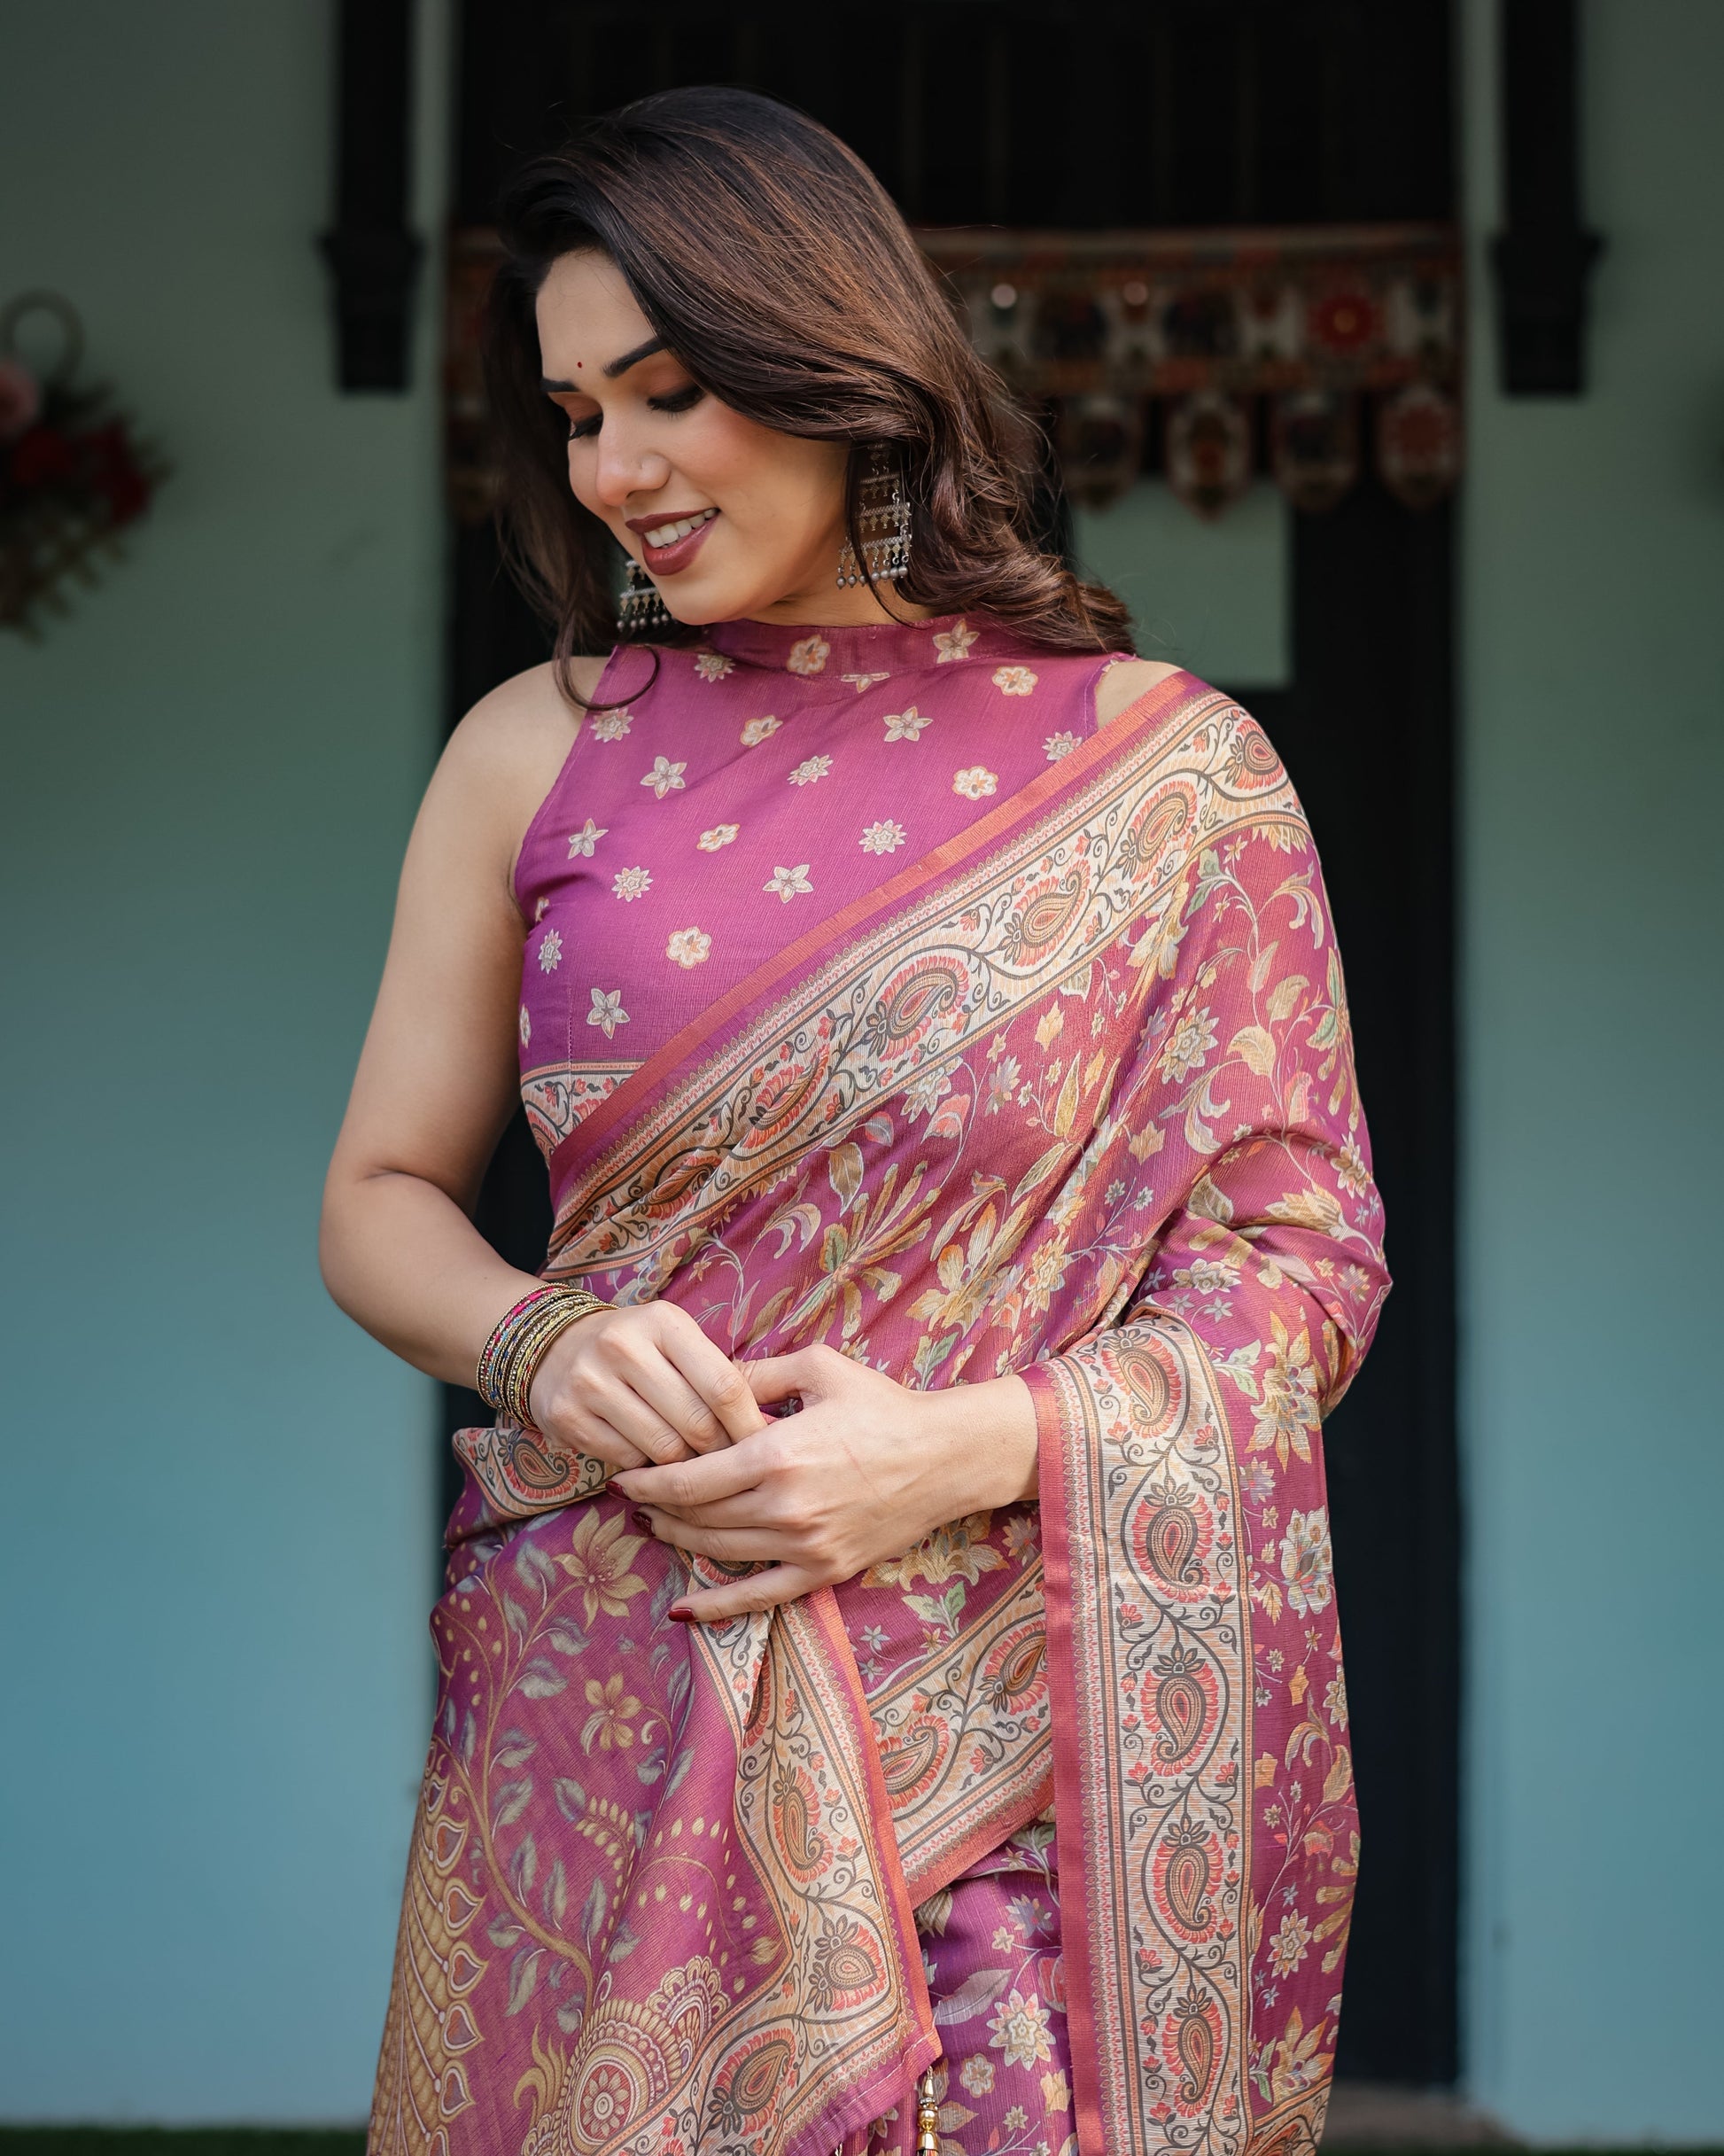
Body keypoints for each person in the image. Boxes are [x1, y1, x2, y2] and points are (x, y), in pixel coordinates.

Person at [321, 85, 1388, 2156]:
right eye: (573, 414)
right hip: (614, 1667)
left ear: (833, 360)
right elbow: (379, 1195)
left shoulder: (1167, 778)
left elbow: (1299, 1263)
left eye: (666, 393)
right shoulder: (533, 750)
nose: (613, 468)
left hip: (1003, 1699)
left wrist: (950, 1448)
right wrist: (536, 1335)